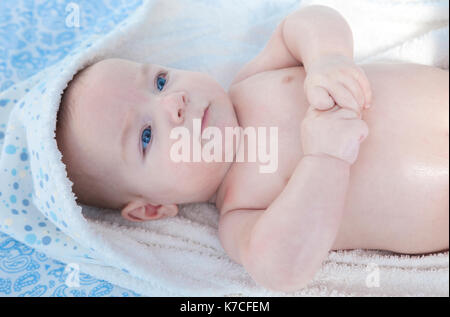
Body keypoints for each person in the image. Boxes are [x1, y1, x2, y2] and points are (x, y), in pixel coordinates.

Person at [55, 5, 449, 292]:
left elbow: (305, 22)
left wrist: (327, 58)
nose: (172, 103)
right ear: (152, 208)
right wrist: (324, 160)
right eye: (145, 135)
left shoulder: (252, 81)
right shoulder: (242, 217)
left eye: (159, 82)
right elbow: (282, 269)